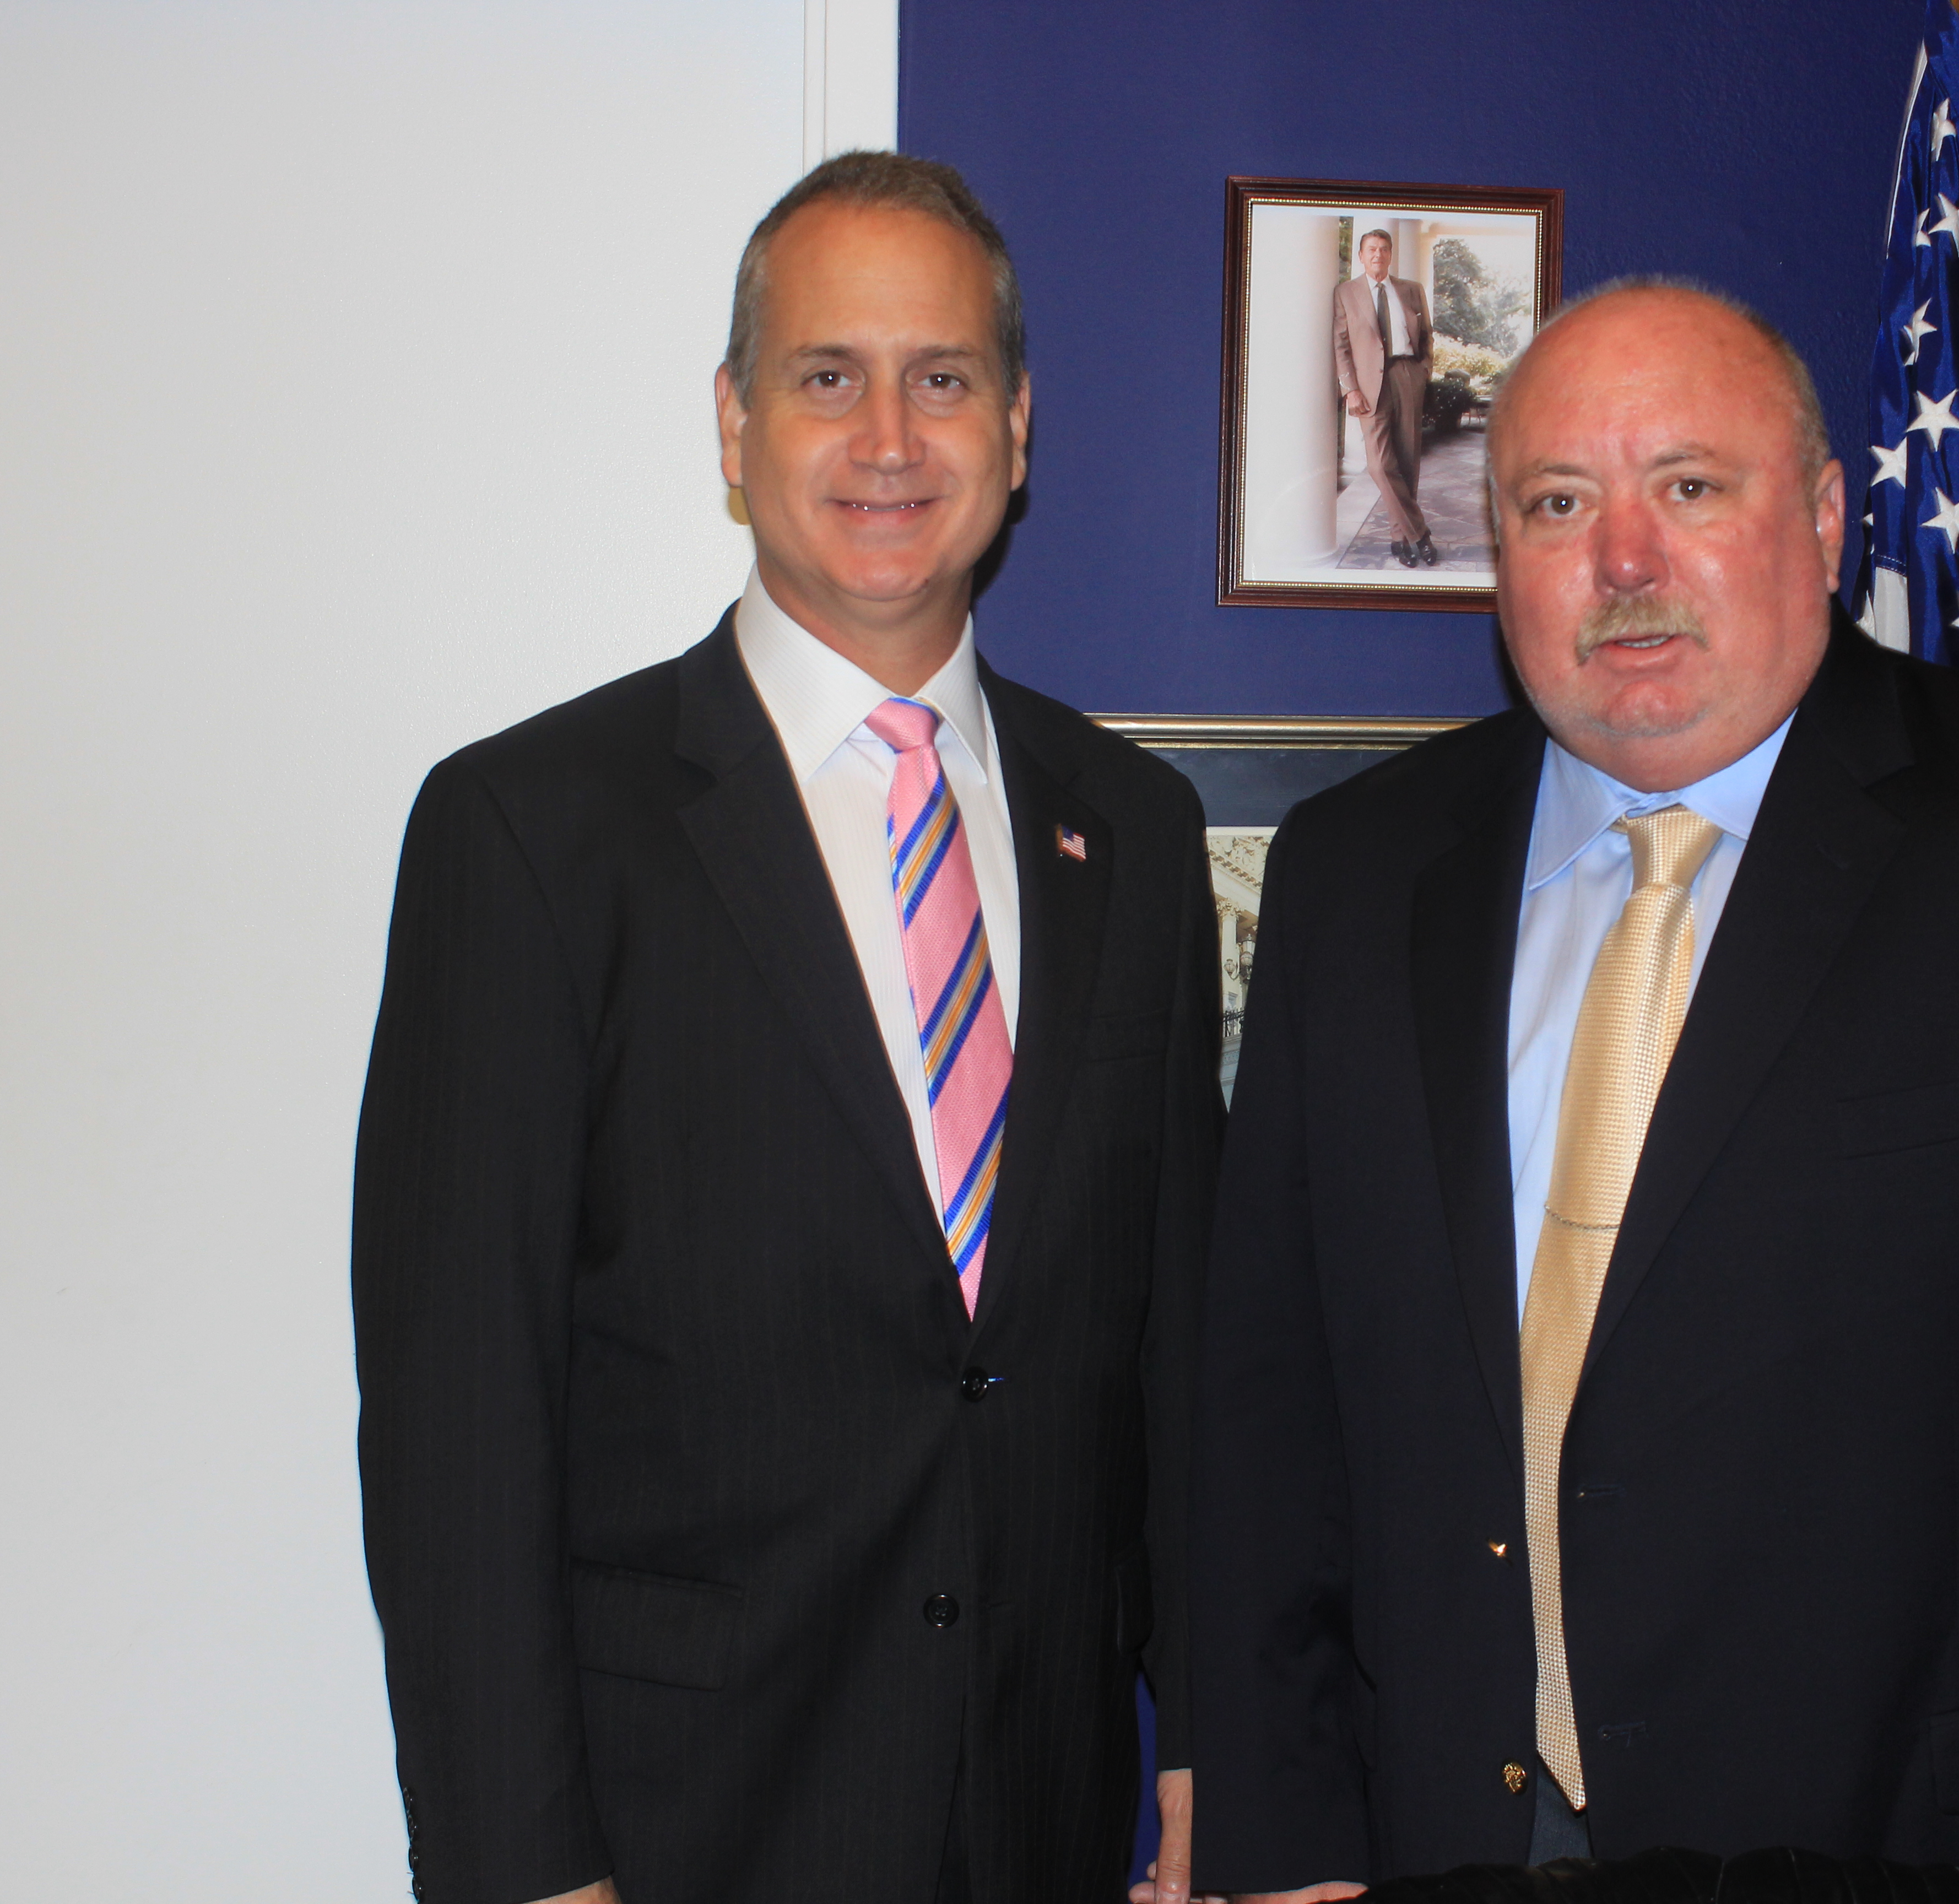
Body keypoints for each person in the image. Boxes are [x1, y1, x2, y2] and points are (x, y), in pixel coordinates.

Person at [1187, 279, 1959, 1904]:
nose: (1625, 563)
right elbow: (1266, 1430)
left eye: (1690, 487)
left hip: (1917, 1844)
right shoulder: (1357, 874)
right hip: (1440, 1843)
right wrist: (1277, 1844)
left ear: (1820, 516)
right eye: (1557, 503)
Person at [353, 151, 1220, 1904]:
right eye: (830, 378)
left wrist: (1212, 1739)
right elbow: (457, 1427)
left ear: (1020, 426)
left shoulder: (1131, 829)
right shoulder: (529, 833)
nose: (890, 437)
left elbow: (1182, 1360)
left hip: (1043, 1819)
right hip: (681, 1834)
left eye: (944, 378)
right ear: (736, 427)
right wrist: (523, 1868)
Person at [1332, 228, 1437, 568]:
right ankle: (1420, 533)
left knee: (1407, 463)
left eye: (1384, 249)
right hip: (1368, 387)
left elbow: (1427, 336)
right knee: (1379, 464)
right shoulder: (1346, 293)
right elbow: (1341, 345)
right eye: (1371, 250)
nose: (1378, 254)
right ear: (1361, 256)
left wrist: (1423, 373)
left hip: (1407, 376)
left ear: (1391, 255)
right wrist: (1350, 389)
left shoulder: (1411, 289)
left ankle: (1400, 539)